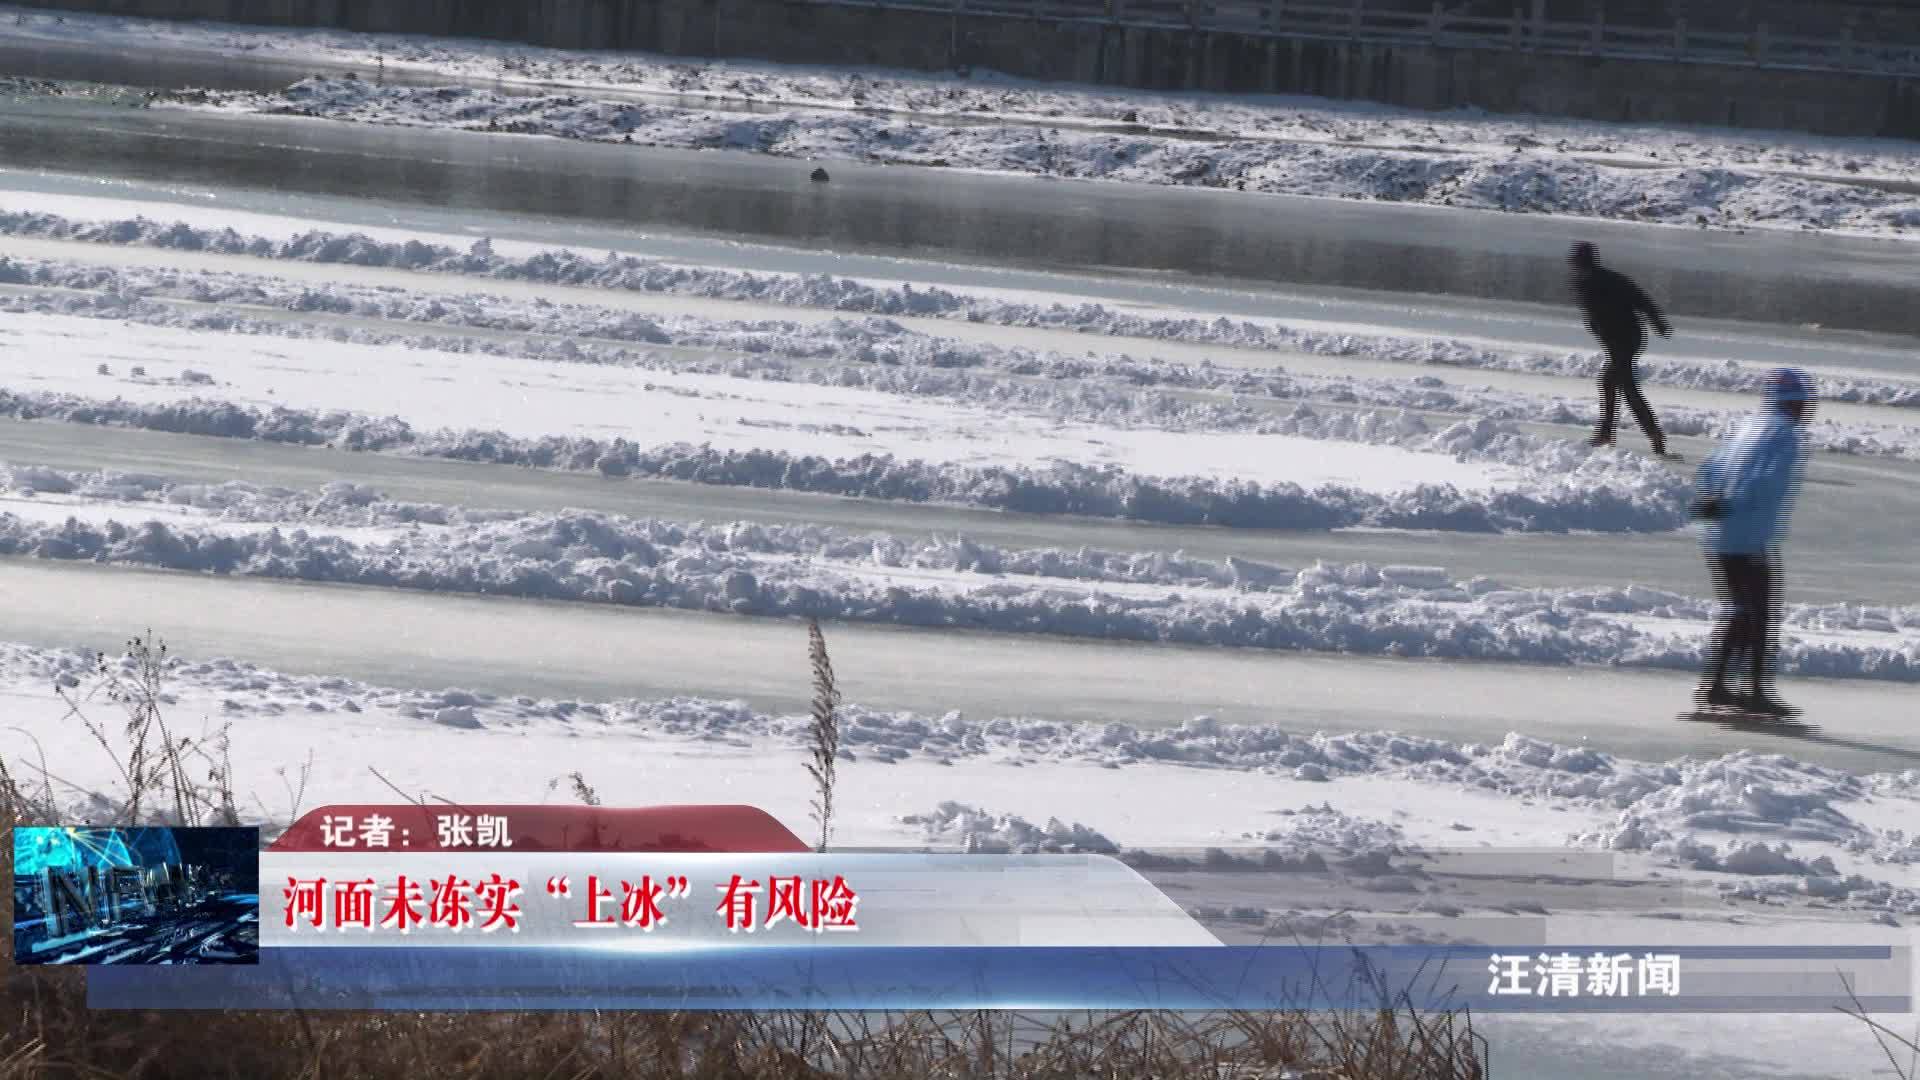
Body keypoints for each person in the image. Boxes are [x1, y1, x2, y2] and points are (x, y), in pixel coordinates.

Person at [1689, 367, 1815, 718]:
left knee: (1741, 611)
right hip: (1747, 535)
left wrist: (1714, 499)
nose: (1806, 408)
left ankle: (1716, 686)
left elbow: (1709, 468)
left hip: (1719, 533)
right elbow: (1763, 482)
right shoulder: (1787, 435)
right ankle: (1753, 690)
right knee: (1760, 615)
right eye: (1804, 401)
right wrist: (1739, 508)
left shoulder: (1749, 426)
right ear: (1796, 402)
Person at [1569, 241, 1674, 457]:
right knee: (1610, 382)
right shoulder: (1585, 280)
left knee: (1625, 387)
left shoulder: (1605, 279)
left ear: (1583, 260)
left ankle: (1653, 436)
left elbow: (1639, 298)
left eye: (1576, 259)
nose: (1573, 263)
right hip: (1617, 339)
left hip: (1626, 338)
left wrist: (1658, 322)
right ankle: (1611, 432)